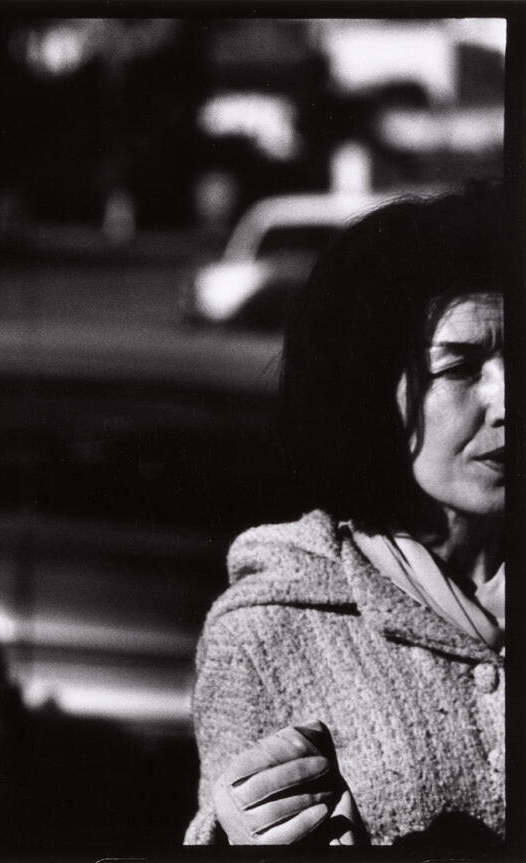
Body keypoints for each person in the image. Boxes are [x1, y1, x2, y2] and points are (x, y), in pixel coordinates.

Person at [185, 185, 506, 847]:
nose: (508, 401)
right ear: (371, 391)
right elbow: (228, 822)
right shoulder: (272, 625)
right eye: (460, 367)